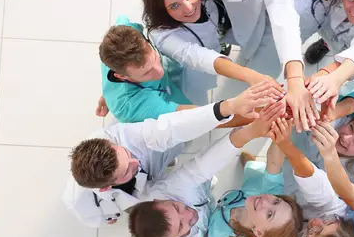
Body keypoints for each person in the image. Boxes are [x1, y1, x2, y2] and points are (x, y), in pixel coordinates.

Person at [175, 0, 318, 133]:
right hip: (194, 12)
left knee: (205, 73)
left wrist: (296, 79)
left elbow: (285, 19)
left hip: (234, 23)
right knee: (184, 66)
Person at [62, 82, 274, 227]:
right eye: (127, 170)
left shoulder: (123, 136)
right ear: (106, 187)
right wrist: (109, 217)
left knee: (169, 149)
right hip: (134, 199)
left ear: (110, 143)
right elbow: (194, 172)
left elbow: (171, 128)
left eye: (126, 153)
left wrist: (229, 107)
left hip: (159, 160)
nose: (136, 161)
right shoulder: (77, 202)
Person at [128, 102, 285, 237]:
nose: (190, 216)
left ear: (158, 200)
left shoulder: (173, 187)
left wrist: (251, 131)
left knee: (200, 177)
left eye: (178, 207)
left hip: (198, 190)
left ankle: (206, 189)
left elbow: (207, 162)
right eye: (181, 226)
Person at [252, 118, 354, 237]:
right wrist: (285, 143)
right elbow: (311, 177)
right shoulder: (336, 210)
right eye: (327, 223)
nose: (317, 222)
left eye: (316, 232)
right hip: (293, 202)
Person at [143, 0, 284, 105]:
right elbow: (200, 58)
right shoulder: (163, 36)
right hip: (188, 76)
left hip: (213, 46)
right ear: (162, 9)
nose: (188, 8)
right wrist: (251, 76)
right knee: (197, 105)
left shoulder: (207, 1)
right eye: (174, 5)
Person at [196, 134, 304, 237]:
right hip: (250, 190)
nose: (266, 201)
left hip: (211, 218)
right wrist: (281, 134)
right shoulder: (269, 195)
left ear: (258, 231)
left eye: (269, 214)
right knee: (255, 174)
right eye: (276, 201)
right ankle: (250, 165)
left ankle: (251, 166)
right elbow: (275, 163)